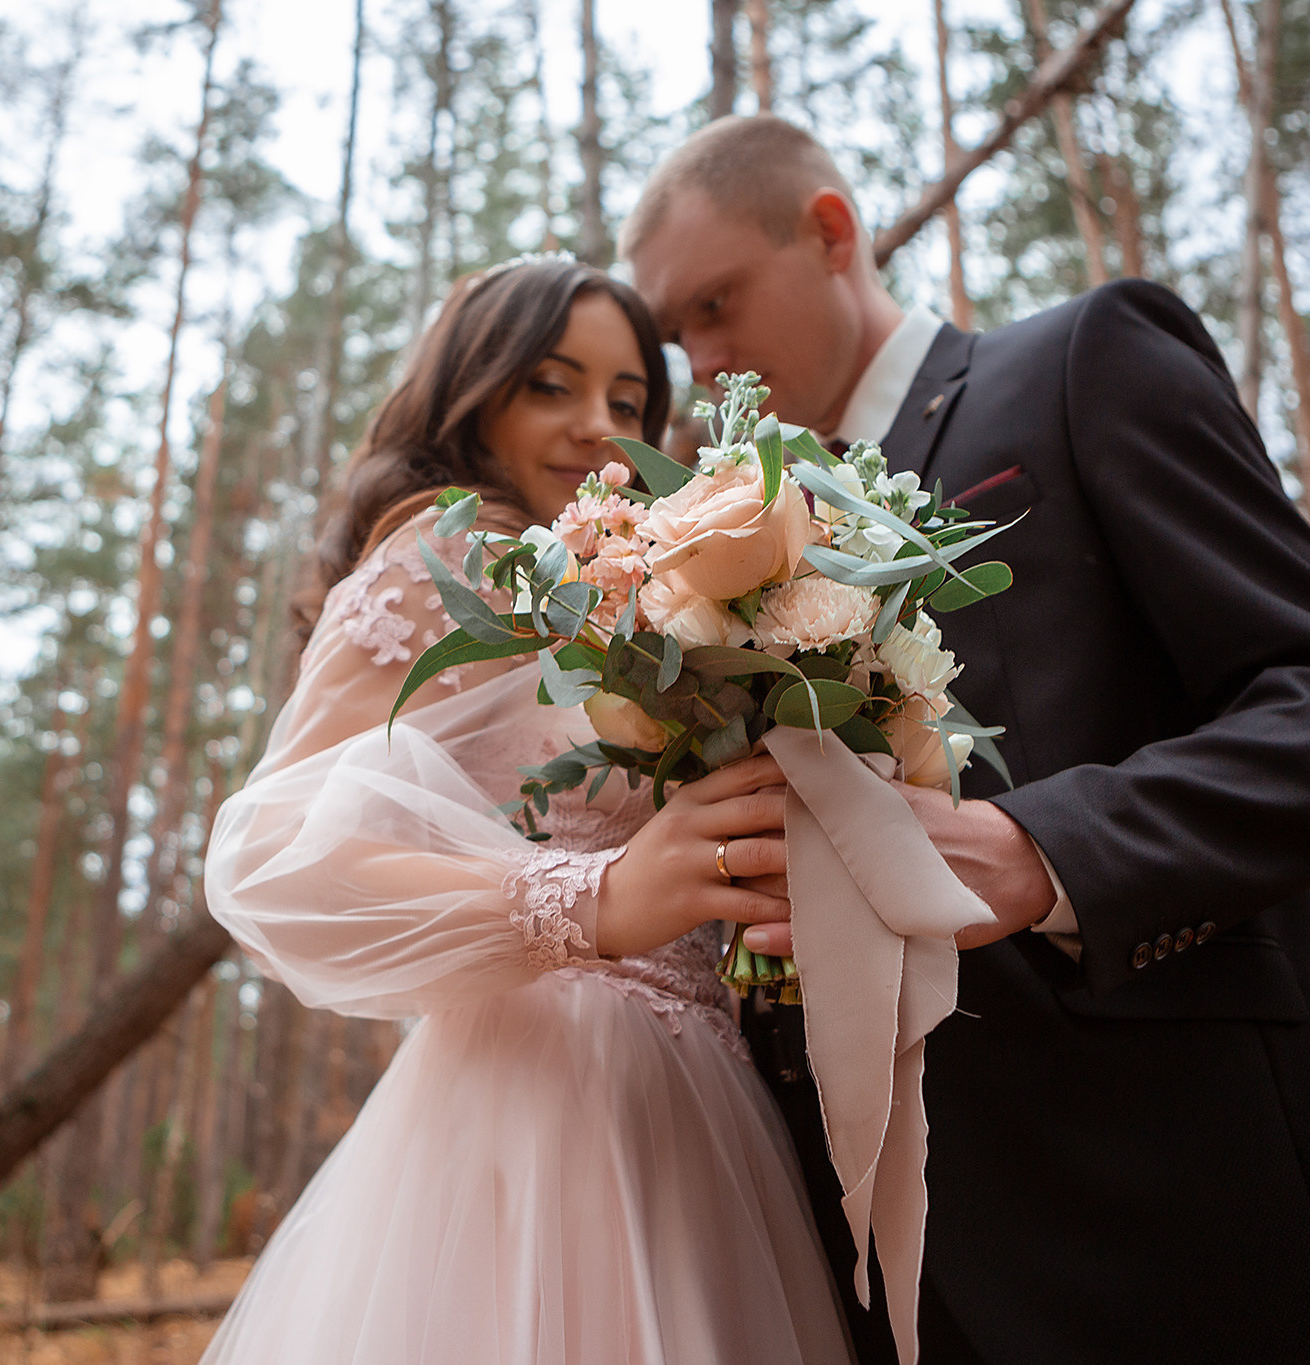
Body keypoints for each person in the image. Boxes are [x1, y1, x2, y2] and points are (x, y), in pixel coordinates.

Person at [622, 115, 1310, 1364]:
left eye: (716, 303)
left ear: (831, 232)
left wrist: (1042, 849)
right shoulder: (717, 550)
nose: (704, 356)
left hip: (1160, 1214)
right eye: (679, 333)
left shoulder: (1080, 363)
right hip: (869, 1270)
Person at [196, 255, 854, 1363]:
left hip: (710, 1116)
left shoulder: (644, 598)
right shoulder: (452, 552)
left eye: (627, 400)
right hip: (542, 1109)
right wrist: (587, 899)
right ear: (476, 389)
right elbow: (269, 856)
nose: (596, 424)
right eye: (552, 385)